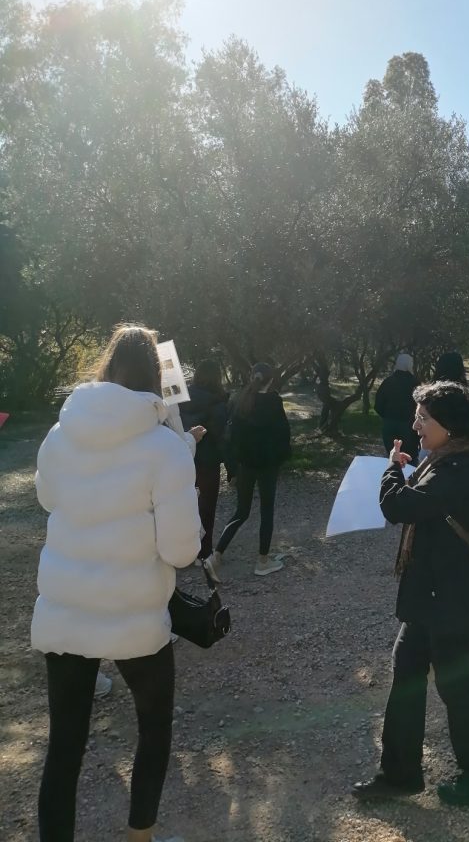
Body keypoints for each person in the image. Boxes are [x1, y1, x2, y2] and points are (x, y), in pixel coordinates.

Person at [31, 324, 204, 842]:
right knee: (153, 728)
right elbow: (181, 551)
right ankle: (139, 835)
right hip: (136, 615)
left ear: (106, 368)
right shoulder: (165, 448)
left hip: (66, 609)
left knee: (64, 746)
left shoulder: (60, 433)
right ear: (156, 377)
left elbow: (47, 499)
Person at [353, 380, 469, 806]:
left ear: (449, 425)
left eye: (423, 418)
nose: (415, 426)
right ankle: (400, 774)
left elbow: (399, 506)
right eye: (416, 416)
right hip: (437, 596)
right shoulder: (453, 463)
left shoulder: (461, 471)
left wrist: (391, 469)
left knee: (455, 685)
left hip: (454, 602)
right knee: (408, 671)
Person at [205, 362, 291, 580]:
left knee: (241, 511)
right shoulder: (274, 402)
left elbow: (231, 435)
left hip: (245, 465)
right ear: (271, 380)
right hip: (268, 465)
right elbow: (283, 433)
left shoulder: (240, 399)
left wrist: (234, 465)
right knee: (266, 511)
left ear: (252, 376)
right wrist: (281, 457)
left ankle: (216, 555)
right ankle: (263, 560)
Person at [180, 359, 229, 562]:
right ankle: (203, 550)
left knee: (185, 505)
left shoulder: (180, 400)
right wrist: (230, 465)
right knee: (206, 507)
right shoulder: (218, 404)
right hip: (208, 463)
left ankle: (183, 549)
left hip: (183, 458)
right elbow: (221, 438)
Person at [373, 353, 419, 460]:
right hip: (408, 425)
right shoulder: (415, 383)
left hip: (389, 424)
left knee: (391, 455)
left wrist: (387, 416)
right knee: (408, 457)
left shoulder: (388, 381)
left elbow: (378, 404)